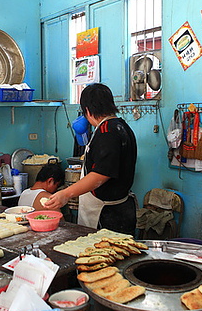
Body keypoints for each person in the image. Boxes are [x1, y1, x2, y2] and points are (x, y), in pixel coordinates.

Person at [44, 83, 138, 235]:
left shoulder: (107, 132)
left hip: (106, 213)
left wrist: (66, 194)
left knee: (102, 256)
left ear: (87, 110)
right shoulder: (122, 126)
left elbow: (101, 174)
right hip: (120, 208)